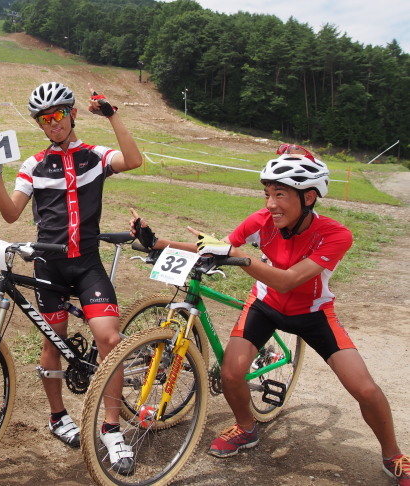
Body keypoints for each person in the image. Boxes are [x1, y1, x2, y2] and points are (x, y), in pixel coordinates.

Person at [129, 144, 409, 486]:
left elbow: (290, 280)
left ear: (308, 197)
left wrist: (245, 259)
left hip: (313, 314)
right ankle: (246, 429)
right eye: (266, 194)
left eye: (280, 194)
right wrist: (158, 242)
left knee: (365, 389)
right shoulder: (261, 221)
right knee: (231, 374)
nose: (270, 204)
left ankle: (393, 454)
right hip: (264, 306)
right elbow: (217, 245)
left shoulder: (336, 235)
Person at [0, 82, 142, 474]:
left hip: (87, 264)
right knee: (52, 343)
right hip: (48, 266)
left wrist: (112, 114)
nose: (52, 124)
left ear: (72, 114)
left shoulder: (95, 155)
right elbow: (10, 215)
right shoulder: (34, 164)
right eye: (44, 119)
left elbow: (134, 160)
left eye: (57, 115)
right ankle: (58, 418)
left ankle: (111, 428)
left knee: (111, 340)